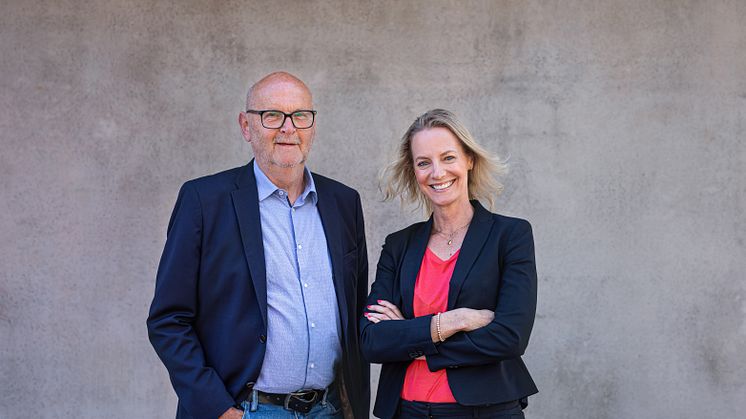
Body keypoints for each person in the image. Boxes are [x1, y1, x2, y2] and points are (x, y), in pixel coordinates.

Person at [147, 72, 370, 419]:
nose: (288, 128)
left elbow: (355, 307)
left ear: (312, 125)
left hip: (329, 409)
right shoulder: (204, 202)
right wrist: (217, 407)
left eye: (300, 115)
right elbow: (168, 319)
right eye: (272, 116)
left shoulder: (344, 203)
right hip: (247, 410)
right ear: (246, 126)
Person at [361, 109, 538, 419]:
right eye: (423, 163)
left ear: (469, 159)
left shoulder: (510, 236)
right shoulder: (399, 245)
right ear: (414, 171)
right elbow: (372, 340)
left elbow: (510, 337)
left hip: (484, 411)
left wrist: (411, 338)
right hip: (405, 410)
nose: (437, 173)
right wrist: (452, 321)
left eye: (448, 158)